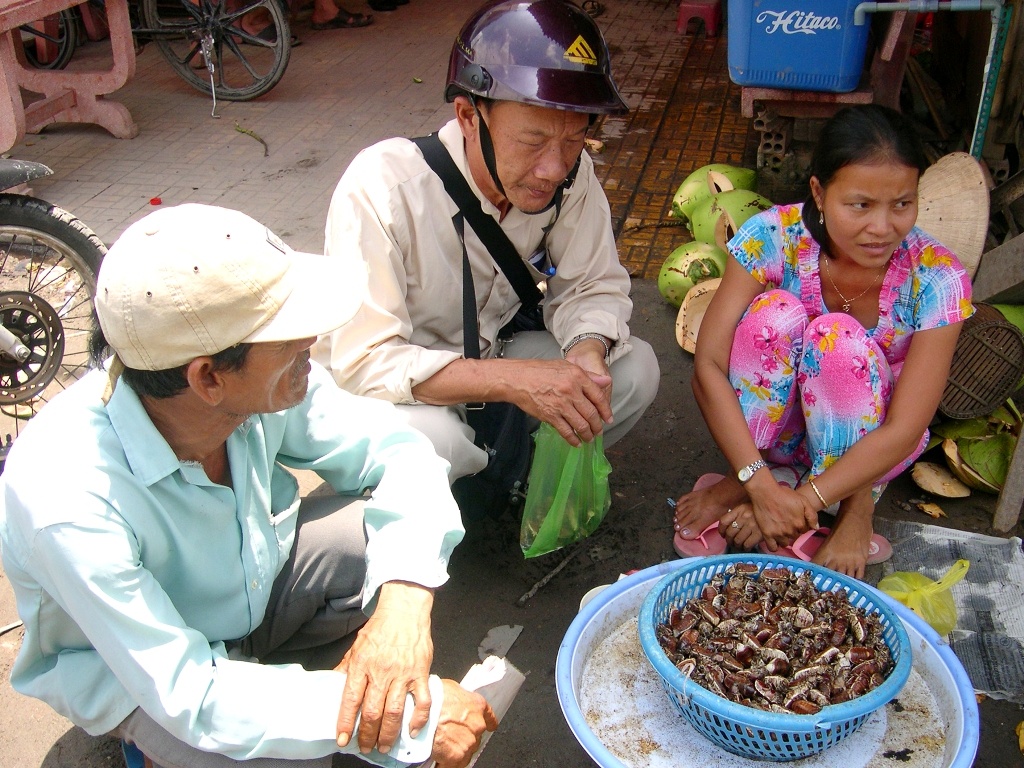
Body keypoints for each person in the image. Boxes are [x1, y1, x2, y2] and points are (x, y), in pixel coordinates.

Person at [0, 204, 496, 768]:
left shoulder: (256, 389)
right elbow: (192, 694)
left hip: (252, 591)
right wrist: (414, 720)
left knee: (381, 541)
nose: (311, 342)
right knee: (278, 757)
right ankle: (159, 737)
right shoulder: (67, 497)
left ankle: (280, 682)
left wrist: (404, 602)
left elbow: (397, 452)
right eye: (287, 339)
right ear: (208, 376)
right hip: (139, 670)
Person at [314, 0, 660, 493]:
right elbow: (363, 361)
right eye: (533, 140)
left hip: (496, 353)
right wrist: (513, 380)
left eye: (574, 139)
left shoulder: (571, 178)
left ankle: (521, 484)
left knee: (633, 370)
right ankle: (421, 525)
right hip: (400, 395)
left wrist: (587, 351)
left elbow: (592, 284)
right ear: (469, 115)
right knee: (436, 441)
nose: (554, 168)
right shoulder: (383, 187)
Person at [672, 104, 974, 579]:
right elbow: (707, 364)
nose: (883, 227)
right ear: (818, 191)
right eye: (860, 205)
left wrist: (800, 502)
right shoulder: (772, 237)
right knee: (774, 314)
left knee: (836, 340)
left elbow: (906, 425)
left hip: (870, 446)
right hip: (777, 434)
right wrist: (760, 487)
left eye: (902, 204)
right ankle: (751, 475)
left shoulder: (938, 277)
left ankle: (854, 507)